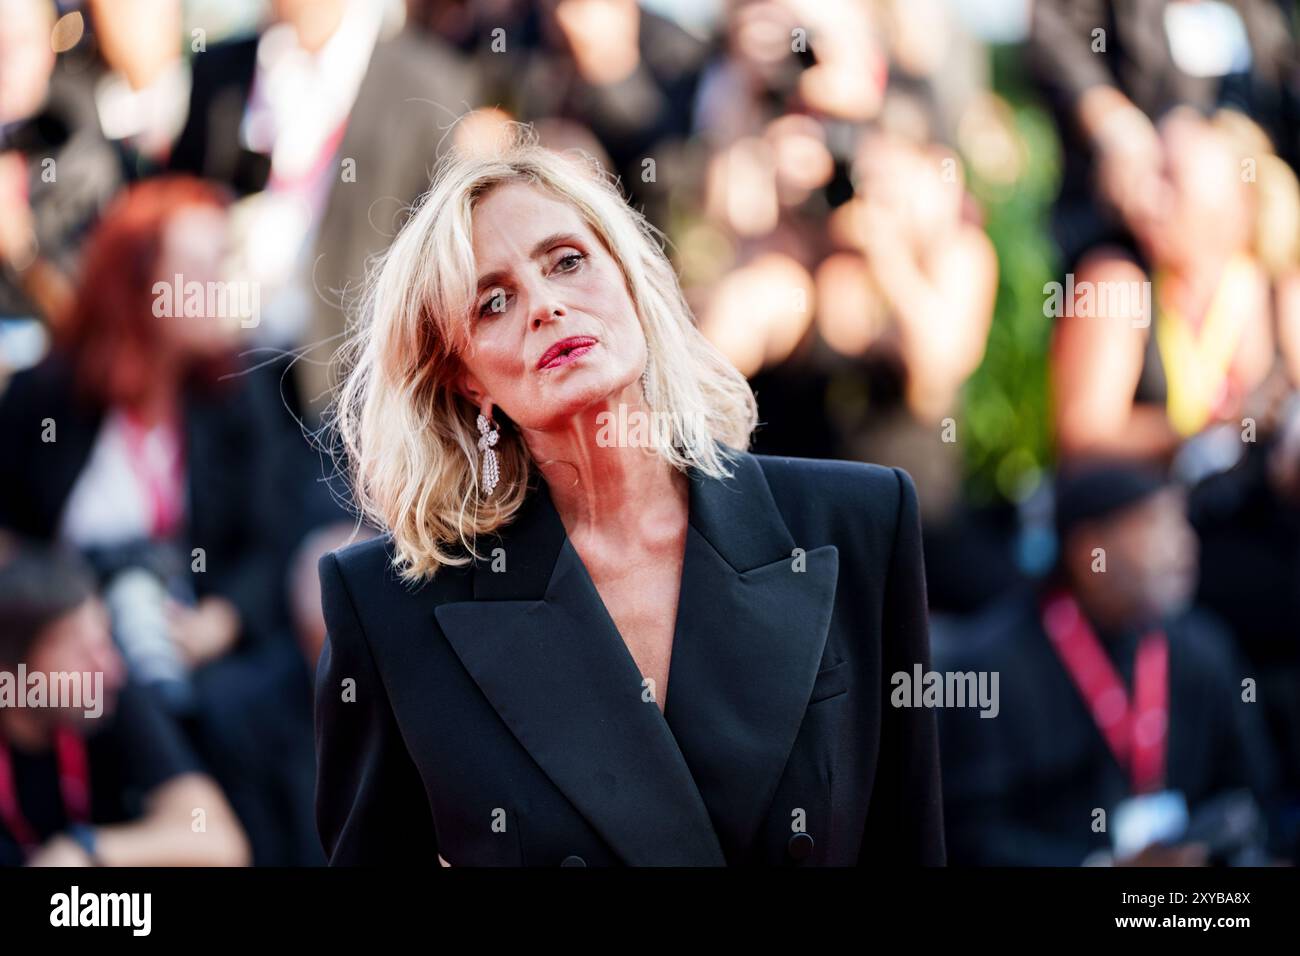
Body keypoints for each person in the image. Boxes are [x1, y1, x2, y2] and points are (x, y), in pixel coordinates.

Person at [314, 125, 944, 866]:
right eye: (493, 303)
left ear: (630, 279)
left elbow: (911, 843)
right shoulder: (390, 609)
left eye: (568, 262)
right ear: (466, 378)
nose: (545, 305)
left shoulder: (859, 522)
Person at [937, 461, 1281, 866]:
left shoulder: (1203, 647)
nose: (1183, 546)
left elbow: (1252, 791)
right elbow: (969, 838)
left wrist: (1202, 847)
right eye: (1156, 526)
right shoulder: (989, 666)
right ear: (1090, 552)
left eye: (1182, 523)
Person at [0, 541, 249, 866]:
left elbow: (220, 844)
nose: (110, 667)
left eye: (103, 641)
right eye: (80, 653)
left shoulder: (112, 697)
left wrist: (85, 850)